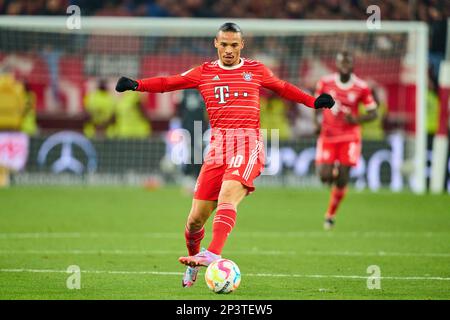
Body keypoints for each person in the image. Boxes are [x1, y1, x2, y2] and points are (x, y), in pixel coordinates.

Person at [115, 22, 335, 287]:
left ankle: (213, 253)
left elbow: (282, 87)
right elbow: (168, 83)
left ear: (241, 45)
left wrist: (312, 101)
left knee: (228, 193)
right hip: (218, 149)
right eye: (224, 44)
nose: (229, 50)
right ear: (215, 44)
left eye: (234, 45)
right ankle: (194, 260)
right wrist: (135, 84)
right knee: (195, 219)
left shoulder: (255, 70)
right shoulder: (204, 72)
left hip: (247, 143)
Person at [314, 51, 377, 230]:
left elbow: (374, 113)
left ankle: (330, 215)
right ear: (337, 64)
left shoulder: (361, 87)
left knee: (342, 179)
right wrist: (316, 122)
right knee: (324, 176)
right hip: (328, 135)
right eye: (341, 62)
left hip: (350, 137)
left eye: (347, 63)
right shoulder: (325, 82)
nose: (344, 66)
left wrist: (356, 120)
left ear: (352, 65)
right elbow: (315, 103)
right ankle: (333, 171)